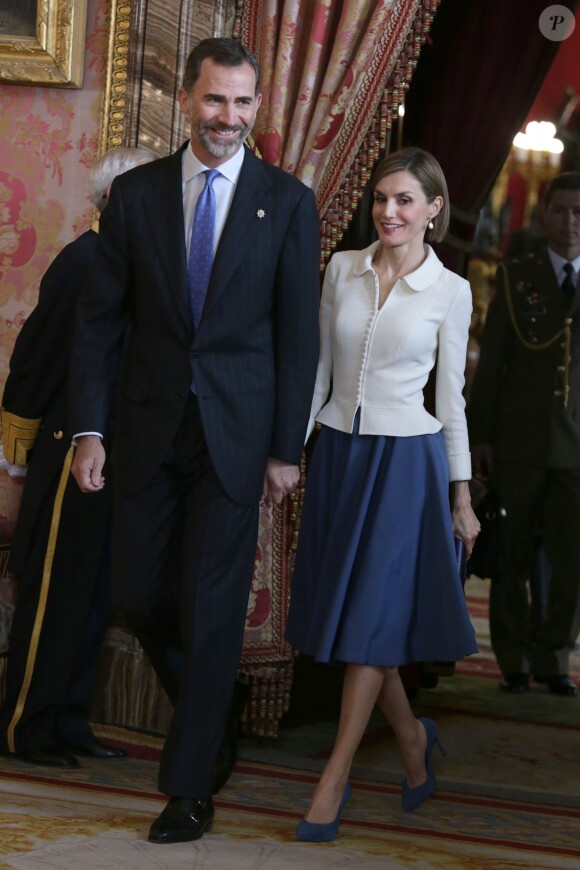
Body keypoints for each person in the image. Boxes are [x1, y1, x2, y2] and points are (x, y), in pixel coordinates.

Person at [68, 37, 320, 844]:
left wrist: (287, 446)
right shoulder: (137, 196)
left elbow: (297, 337)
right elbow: (101, 323)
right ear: (186, 98)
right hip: (144, 430)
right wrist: (90, 429)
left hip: (237, 438)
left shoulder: (285, 202)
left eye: (244, 103)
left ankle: (188, 786)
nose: (229, 118)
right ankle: (216, 705)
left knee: (213, 611)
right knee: (137, 594)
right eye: (216, 100)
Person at [285, 147, 480, 843]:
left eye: (404, 201)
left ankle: (333, 777)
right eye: (381, 199)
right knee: (360, 624)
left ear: (434, 209)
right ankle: (413, 744)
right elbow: (315, 373)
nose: (389, 212)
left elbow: (452, 403)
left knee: (368, 623)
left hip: (407, 466)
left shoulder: (452, 292)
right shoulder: (342, 269)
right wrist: (290, 450)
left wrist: (460, 495)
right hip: (339, 453)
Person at [0, 147, 156, 768]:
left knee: (93, 596)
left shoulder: (130, 264)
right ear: (114, 201)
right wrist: (17, 455)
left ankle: (67, 721)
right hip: (68, 454)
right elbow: (34, 362)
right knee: (56, 595)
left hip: (115, 457)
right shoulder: (82, 260)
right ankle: (25, 726)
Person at [468, 172, 580, 698]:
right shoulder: (519, 277)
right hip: (520, 440)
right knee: (512, 554)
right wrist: (481, 435)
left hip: (577, 449)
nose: (571, 222)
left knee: (571, 558)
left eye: (579, 212)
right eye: (561, 211)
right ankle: (513, 658)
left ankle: (554, 656)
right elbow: (492, 367)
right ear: (544, 217)